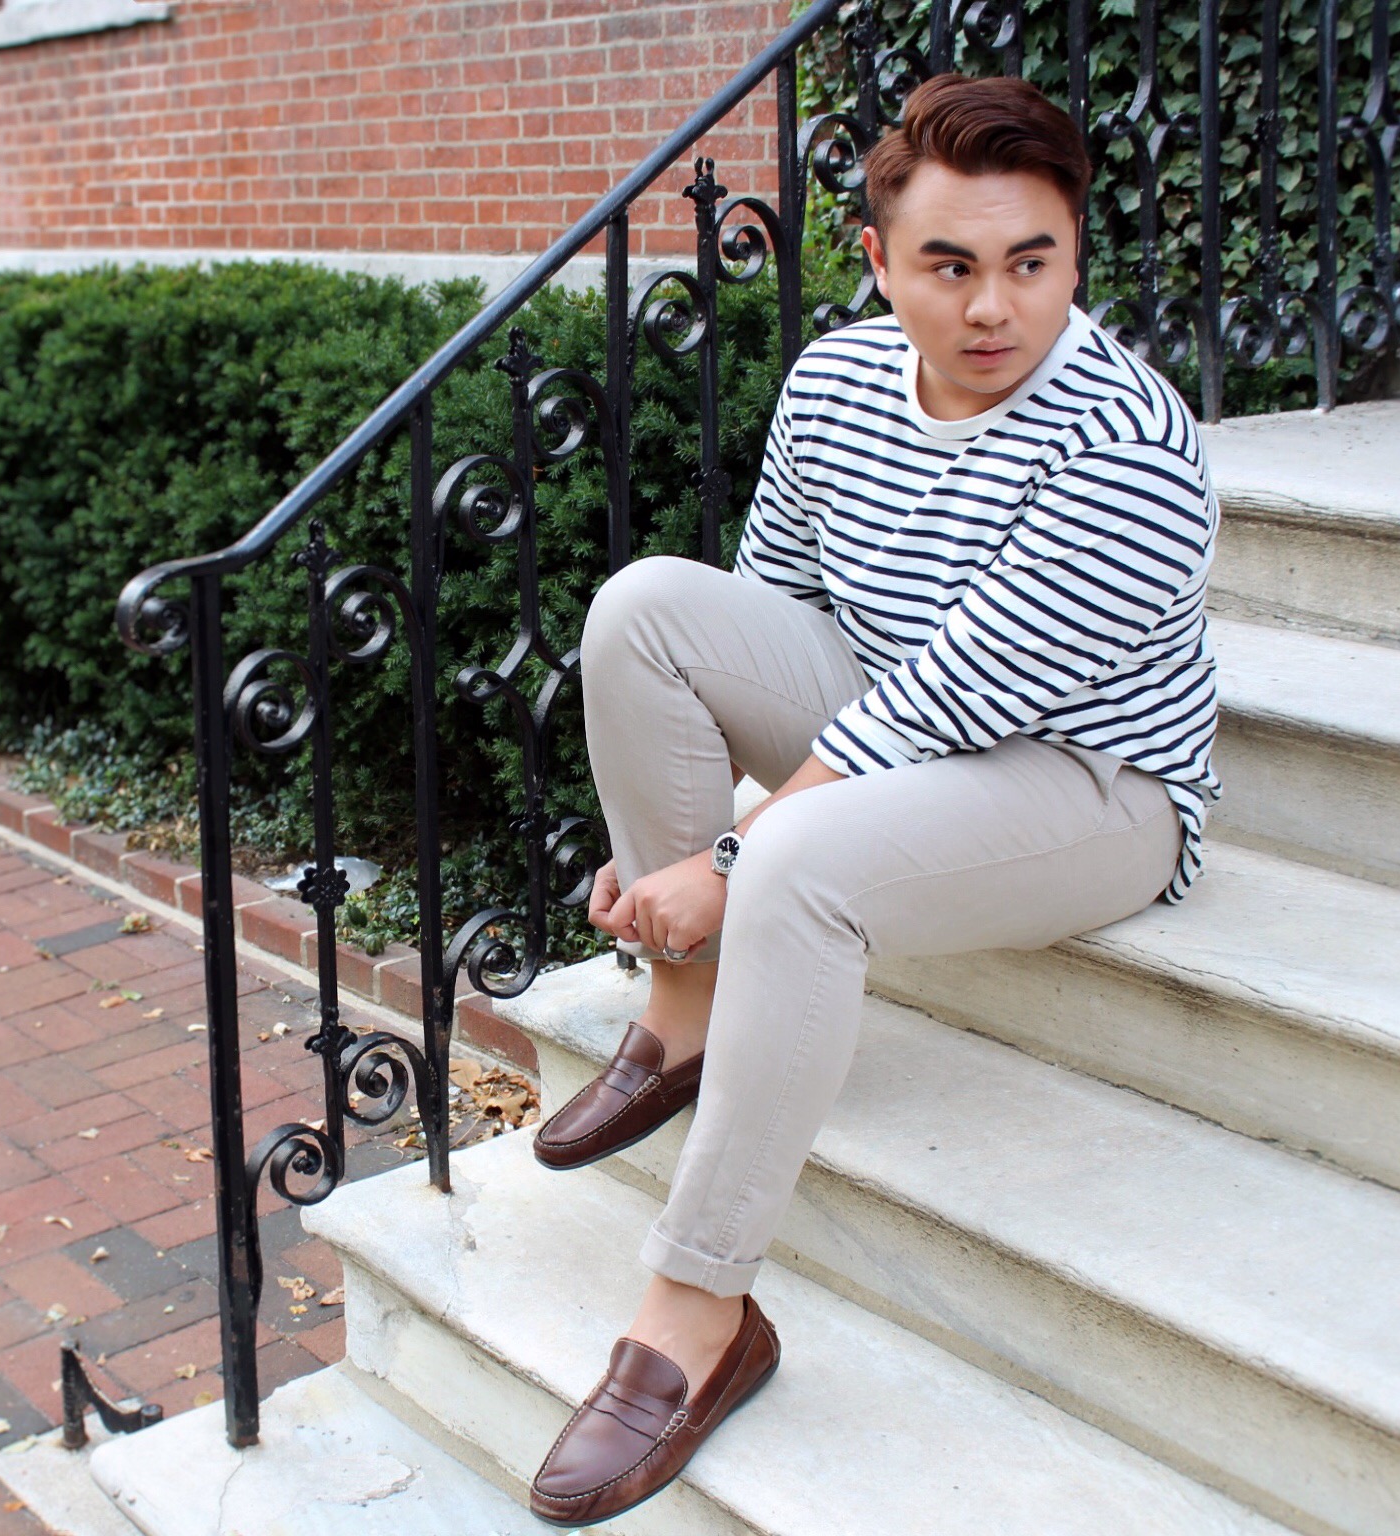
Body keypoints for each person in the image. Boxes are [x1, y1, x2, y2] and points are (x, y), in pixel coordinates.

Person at [521, 72, 1223, 1528]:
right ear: (878, 260)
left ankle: (698, 1314)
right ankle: (687, 1008)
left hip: (1089, 783)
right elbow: (767, 611)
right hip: (888, 718)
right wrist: (684, 858)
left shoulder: (1129, 446)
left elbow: (955, 699)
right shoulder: (837, 382)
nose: (993, 308)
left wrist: (728, 854)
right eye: (950, 266)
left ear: (1075, 256)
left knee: (802, 864)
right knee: (645, 606)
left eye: (1031, 263)